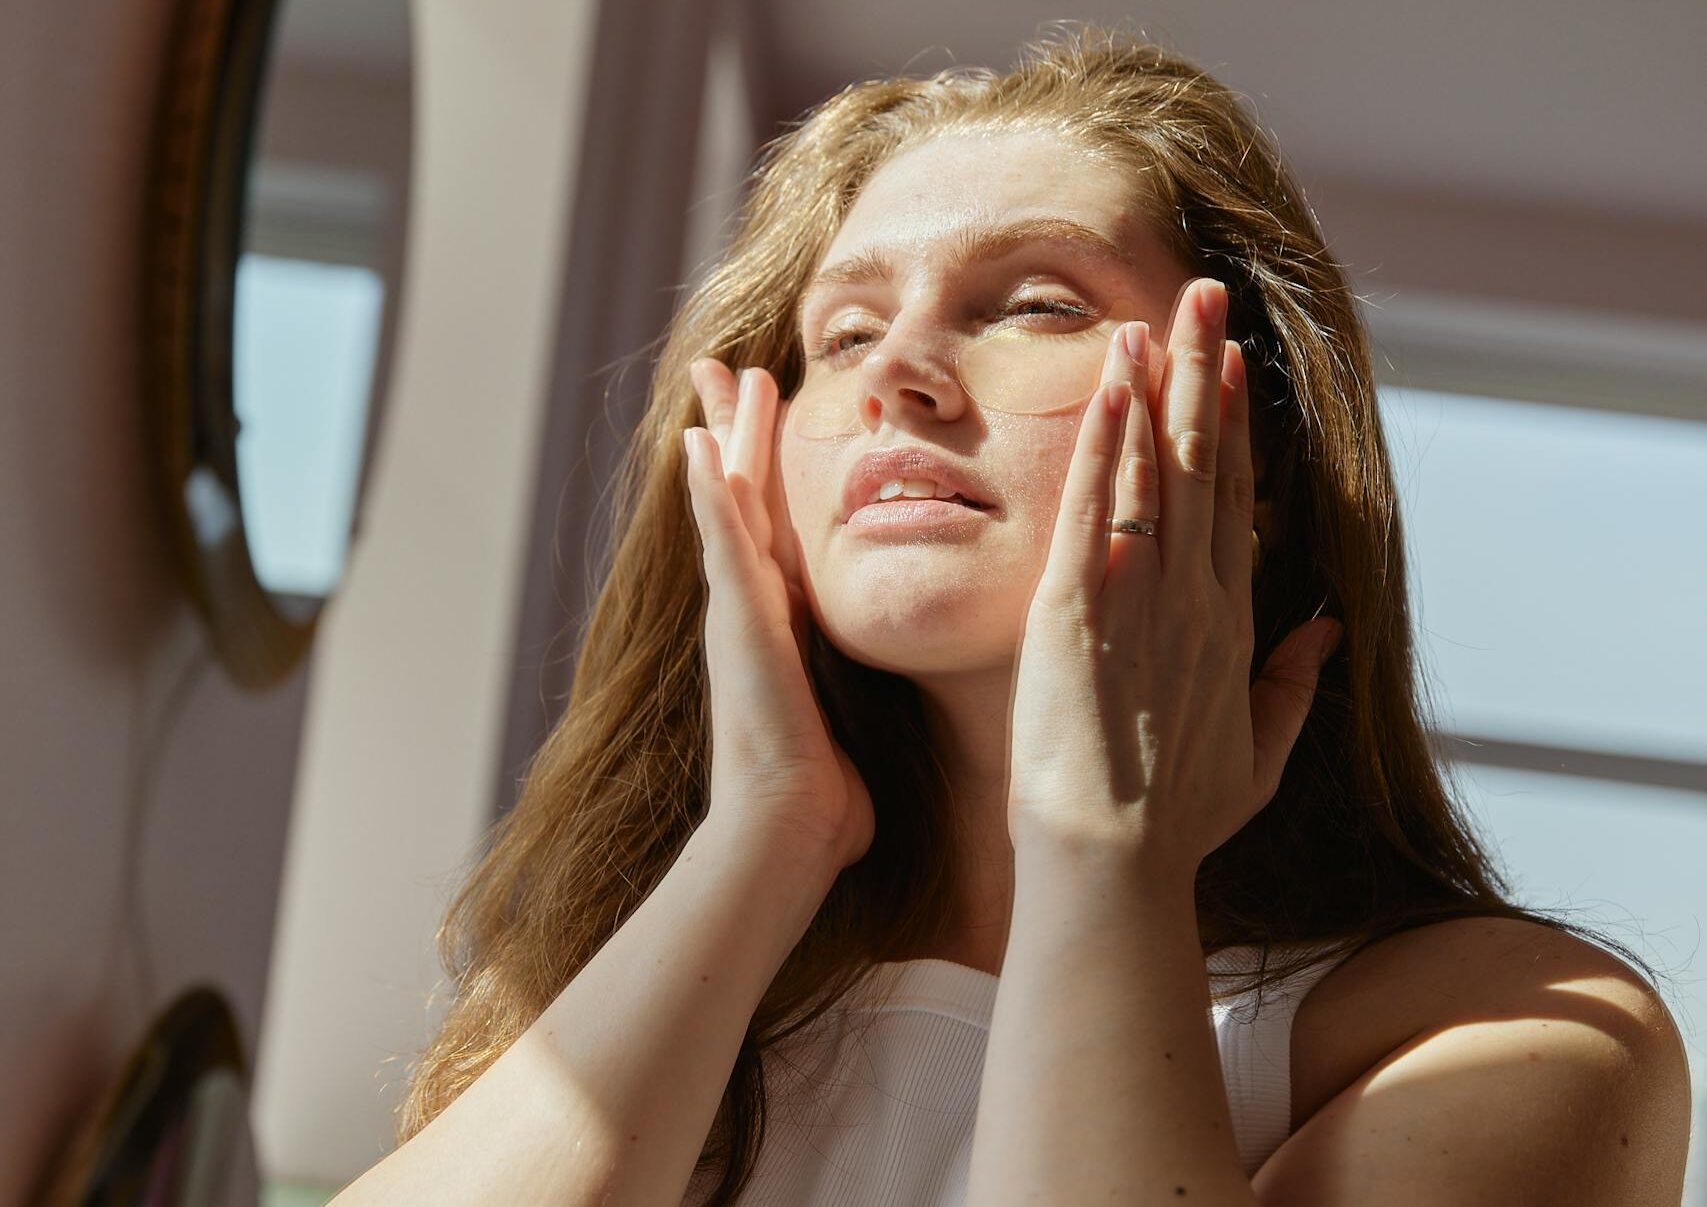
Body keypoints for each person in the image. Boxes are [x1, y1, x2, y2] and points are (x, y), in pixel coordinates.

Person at [331, 25, 1692, 1207]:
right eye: (844, 334)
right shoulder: (642, 993)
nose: (899, 376)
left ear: (1252, 447)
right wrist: (768, 827)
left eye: (1038, 303)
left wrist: (1107, 856)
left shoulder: (1517, 1028)